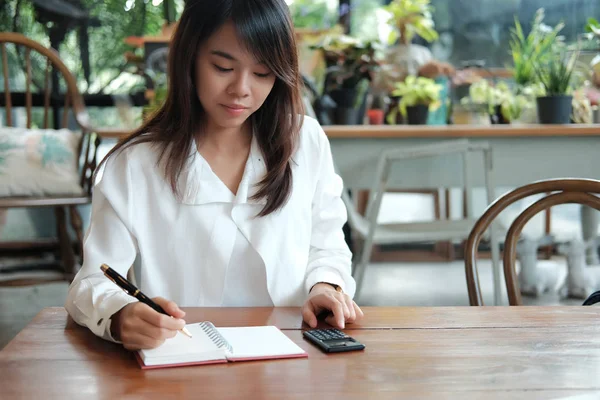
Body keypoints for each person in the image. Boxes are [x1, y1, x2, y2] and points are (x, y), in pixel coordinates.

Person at [65, 0, 362, 351]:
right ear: (189, 57)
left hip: (295, 353)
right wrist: (121, 314)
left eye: (263, 73)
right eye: (223, 67)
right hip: (184, 358)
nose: (242, 88)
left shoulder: (304, 141)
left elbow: (327, 245)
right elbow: (92, 282)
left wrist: (326, 287)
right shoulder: (134, 164)